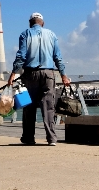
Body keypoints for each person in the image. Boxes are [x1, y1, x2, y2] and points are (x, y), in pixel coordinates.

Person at [7, 12, 70, 146]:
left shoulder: (25, 34)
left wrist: (13, 74)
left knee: (28, 106)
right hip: (48, 74)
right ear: (43, 23)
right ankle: (51, 139)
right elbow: (57, 57)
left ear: (30, 23)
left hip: (30, 73)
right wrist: (64, 75)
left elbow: (21, 56)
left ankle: (29, 138)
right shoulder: (52, 34)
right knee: (48, 106)